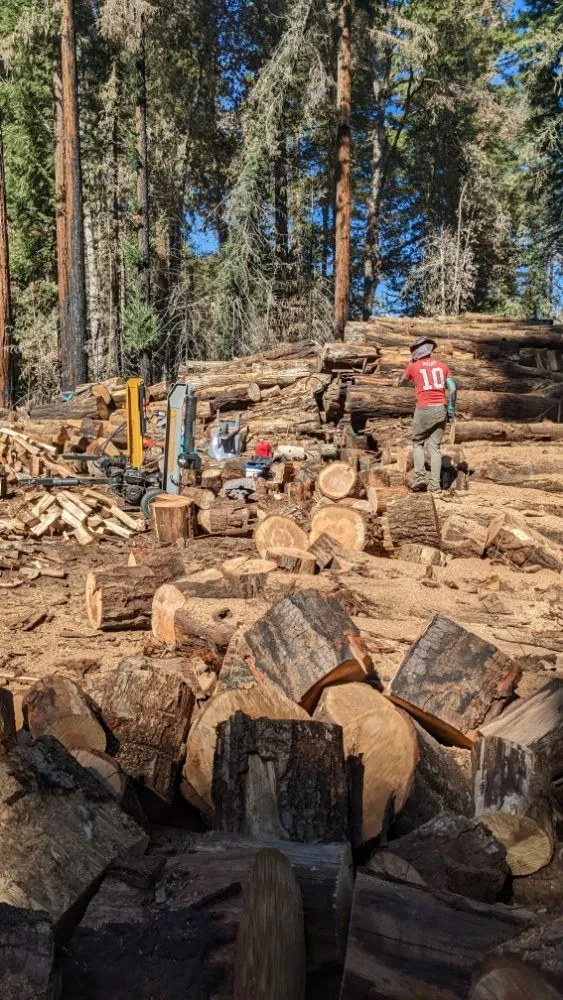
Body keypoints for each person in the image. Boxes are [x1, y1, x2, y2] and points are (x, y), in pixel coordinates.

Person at [398, 336, 457, 494]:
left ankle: (419, 478)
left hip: (423, 409)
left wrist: (406, 374)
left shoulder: (413, 366)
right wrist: (450, 410)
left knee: (417, 444)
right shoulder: (443, 366)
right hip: (440, 408)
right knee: (435, 448)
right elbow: (452, 388)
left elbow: (401, 381)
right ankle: (436, 486)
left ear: (416, 352)